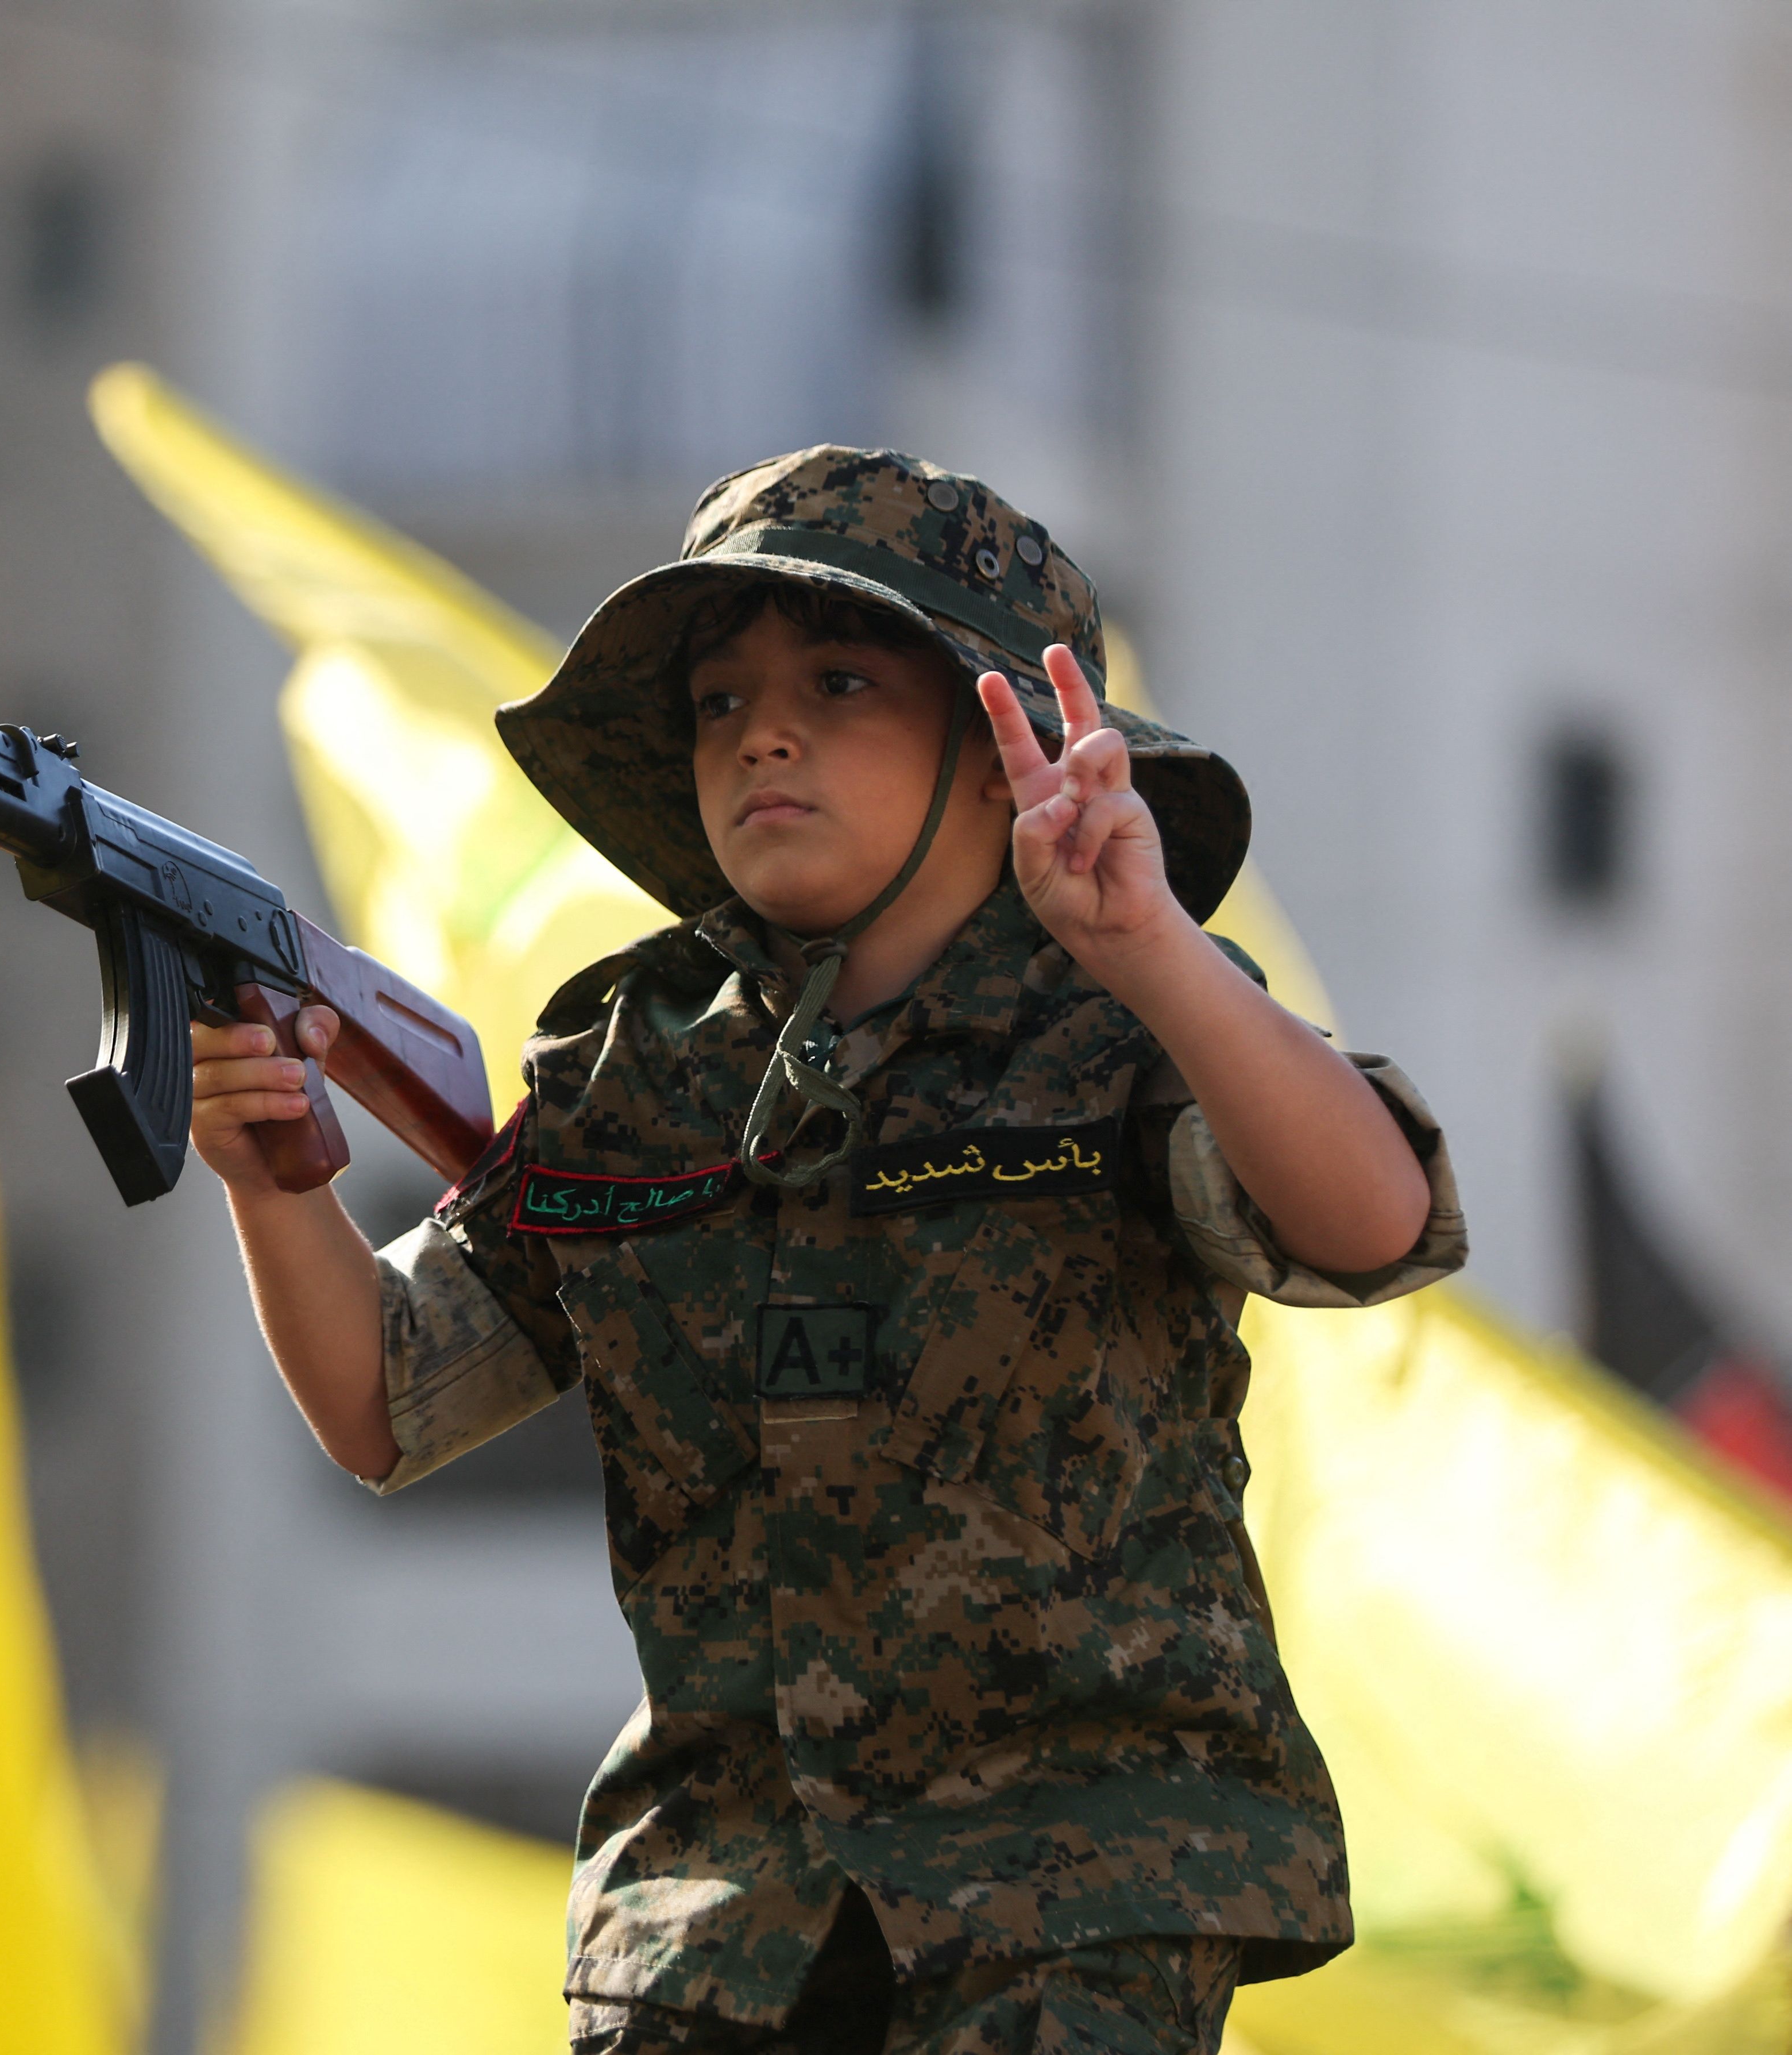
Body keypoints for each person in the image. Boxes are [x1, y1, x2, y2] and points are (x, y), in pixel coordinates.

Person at [188, 448, 1467, 2054]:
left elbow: (1377, 1221)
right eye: (719, 702)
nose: (763, 732)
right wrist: (274, 1178)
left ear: (1007, 746)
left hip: (1067, 1905)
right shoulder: (631, 1070)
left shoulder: (1128, 1031)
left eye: (842, 678)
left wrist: (1154, 956)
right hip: (718, 1930)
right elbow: (386, 1400)